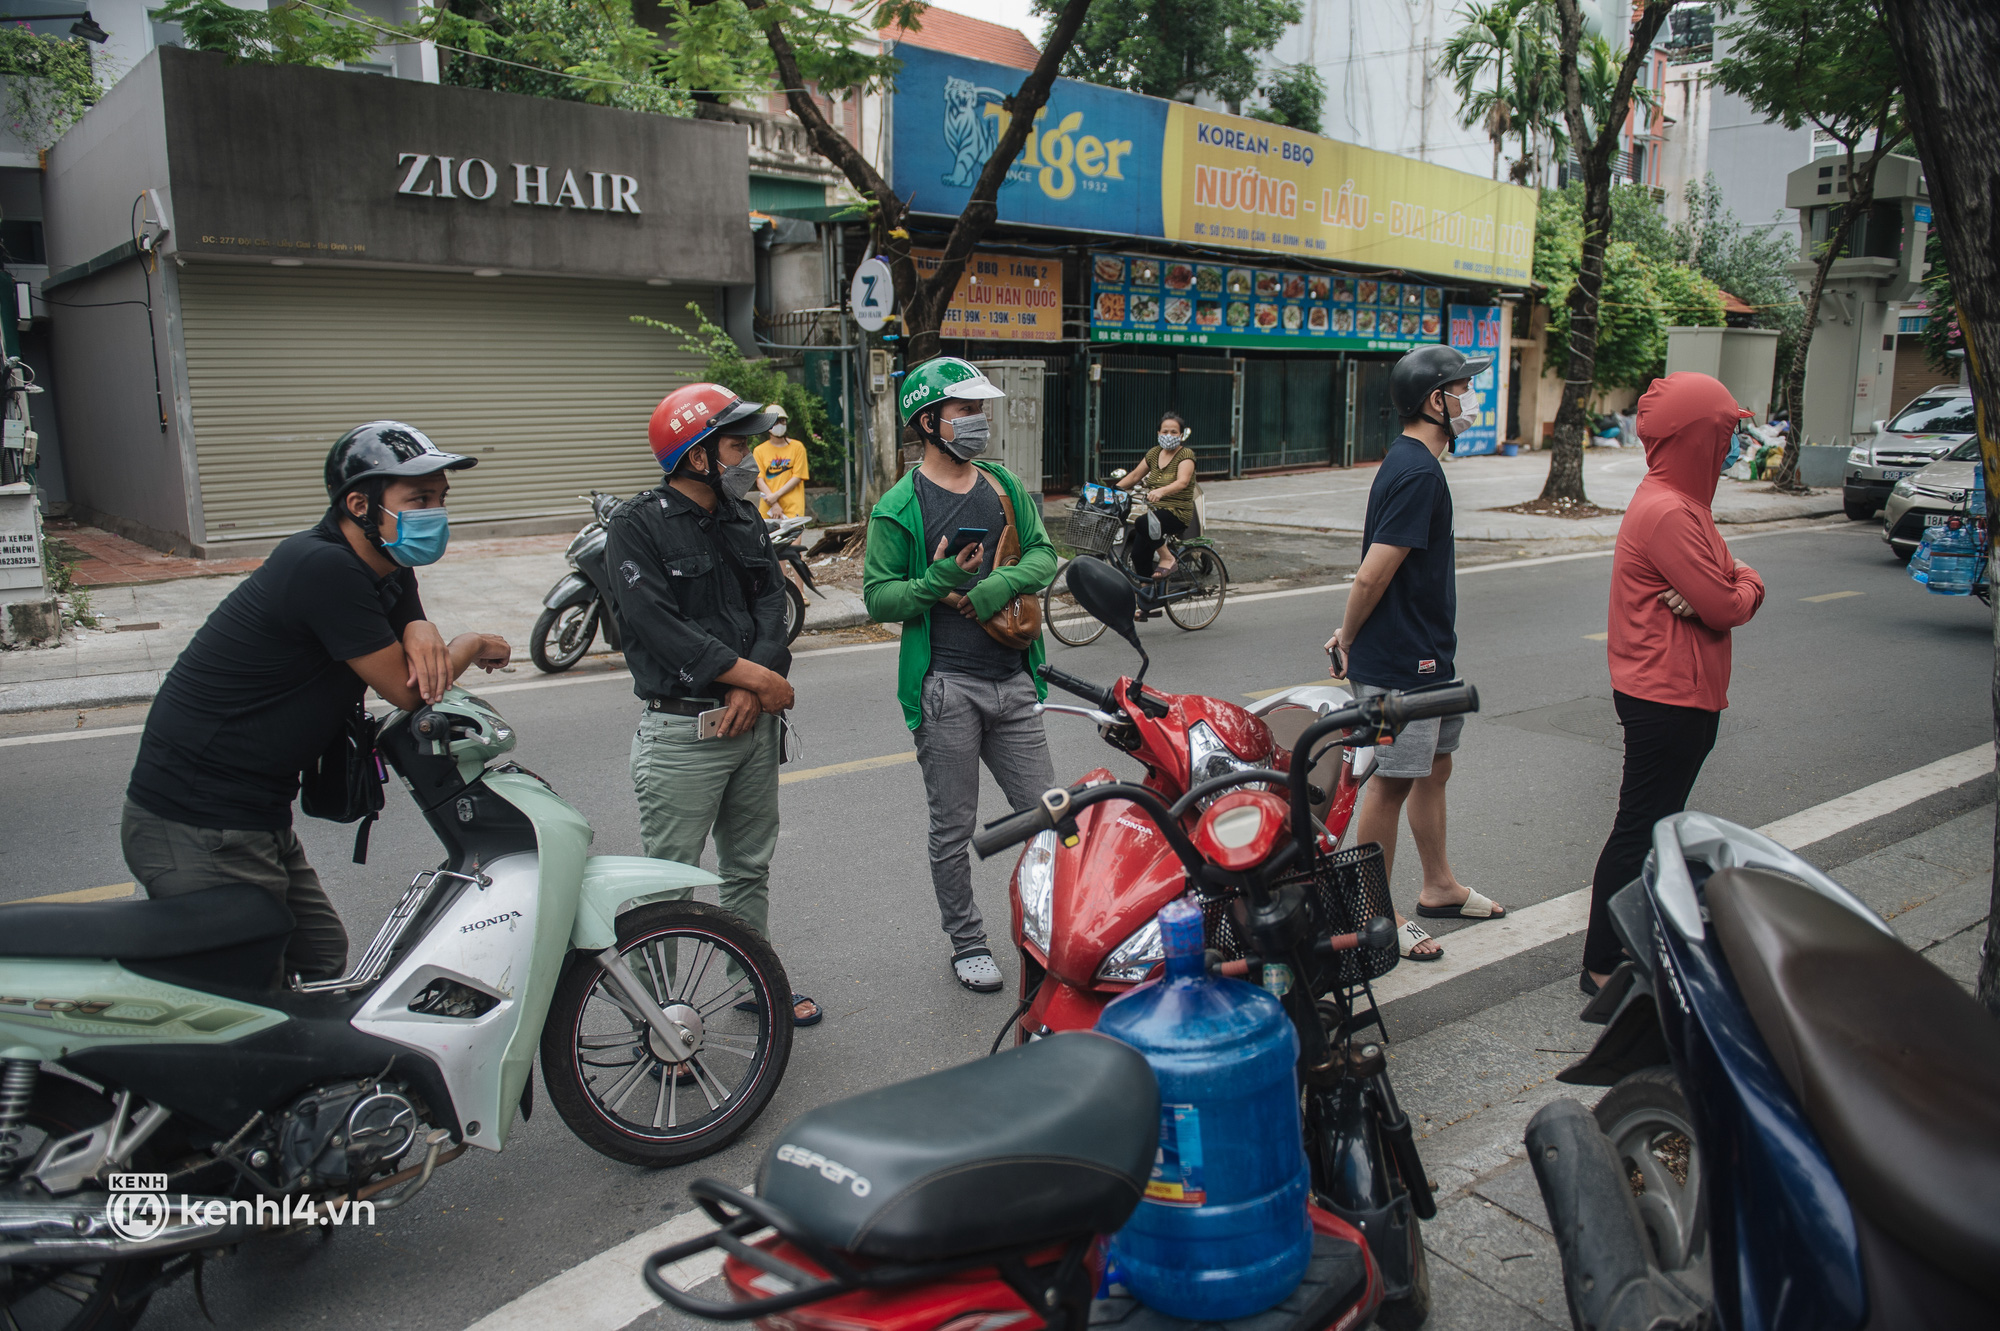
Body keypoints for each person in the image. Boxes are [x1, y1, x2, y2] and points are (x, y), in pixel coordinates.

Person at [122, 422, 512, 982]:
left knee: (320, 958)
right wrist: (469, 644)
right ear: (360, 504)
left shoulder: (388, 564)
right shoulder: (321, 566)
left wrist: (421, 624)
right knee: (244, 991)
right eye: (418, 500)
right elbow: (411, 688)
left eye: (441, 499)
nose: (435, 513)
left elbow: (411, 639)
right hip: (196, 817)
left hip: (256, 813)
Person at [603, 382, 819, 1026]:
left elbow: (767, 607)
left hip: (750, 722)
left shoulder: (744, 517)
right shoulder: (636, 526)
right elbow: (653, 625)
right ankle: (655, 1015)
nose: (749, 457)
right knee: (666, 883)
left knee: (748, 868)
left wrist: (750, 680)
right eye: (736, 445)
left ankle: (754, 981)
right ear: (697, 457)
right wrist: (749, 677)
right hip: (684, 730)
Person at [862, 357, 1059, 993]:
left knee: (1050, 816)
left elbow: (1044, 553)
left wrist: (996, 581)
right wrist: (940, 580)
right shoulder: (900, 507)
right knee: (953, 827)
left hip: (1013, 679)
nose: (979, 420)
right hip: (946, 688)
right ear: (928, 420)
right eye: (965, 410)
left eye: (980, 409)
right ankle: (967, 941)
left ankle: (1057, 925)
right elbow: (880, 599)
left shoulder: (1001, 484)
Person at [1582, 372, 1766, 994]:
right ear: (1699, 438)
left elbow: (1728, 583)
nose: (1735, 443)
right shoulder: (1669, 512)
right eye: (1728, 432)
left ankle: (1626, 946)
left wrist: (1735, 581)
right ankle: (1603, 963)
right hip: (1666, 694)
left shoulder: (1686, 506)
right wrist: (1738, 586)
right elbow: (1724, 603)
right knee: (1641, 827)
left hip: (1675, 690)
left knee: (1653, 825)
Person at [1324, 345, 1508, 963]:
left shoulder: (1413, 463)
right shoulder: (1417, 473)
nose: (1470, 400)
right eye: (1462, 389)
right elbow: (1372, 575)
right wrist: (1346, 639)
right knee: (1390, 783)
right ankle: (1378, 913)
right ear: (1437, 401)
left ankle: (1438, 886)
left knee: (1434, 768)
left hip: (1425, 659)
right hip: (1397, 669)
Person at [1118, 412, 1197, 586]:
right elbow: (1135, 476)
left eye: (1174, 432)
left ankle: (1167, 558)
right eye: (1165, 431)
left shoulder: (1186, 455)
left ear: (1181, 435)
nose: (1169, 435)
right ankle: (1148, 598)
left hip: (1177, 512)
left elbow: (1182, 482)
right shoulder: (1154, 454)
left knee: (1141, 522)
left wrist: (1161, 491)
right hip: (1156, 513)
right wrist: (1113, 490)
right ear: (1158, 433)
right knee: (1138, 555)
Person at [753, 402, 810, 521]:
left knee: (795, 540)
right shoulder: (759, 450)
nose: (779, 424)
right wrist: (774, 503)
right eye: (775, 421)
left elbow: (797, 477)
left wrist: (775, 496)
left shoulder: (797, 447)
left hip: (793, 506)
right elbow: (759, 480)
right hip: (768, 507)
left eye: (782, 421)